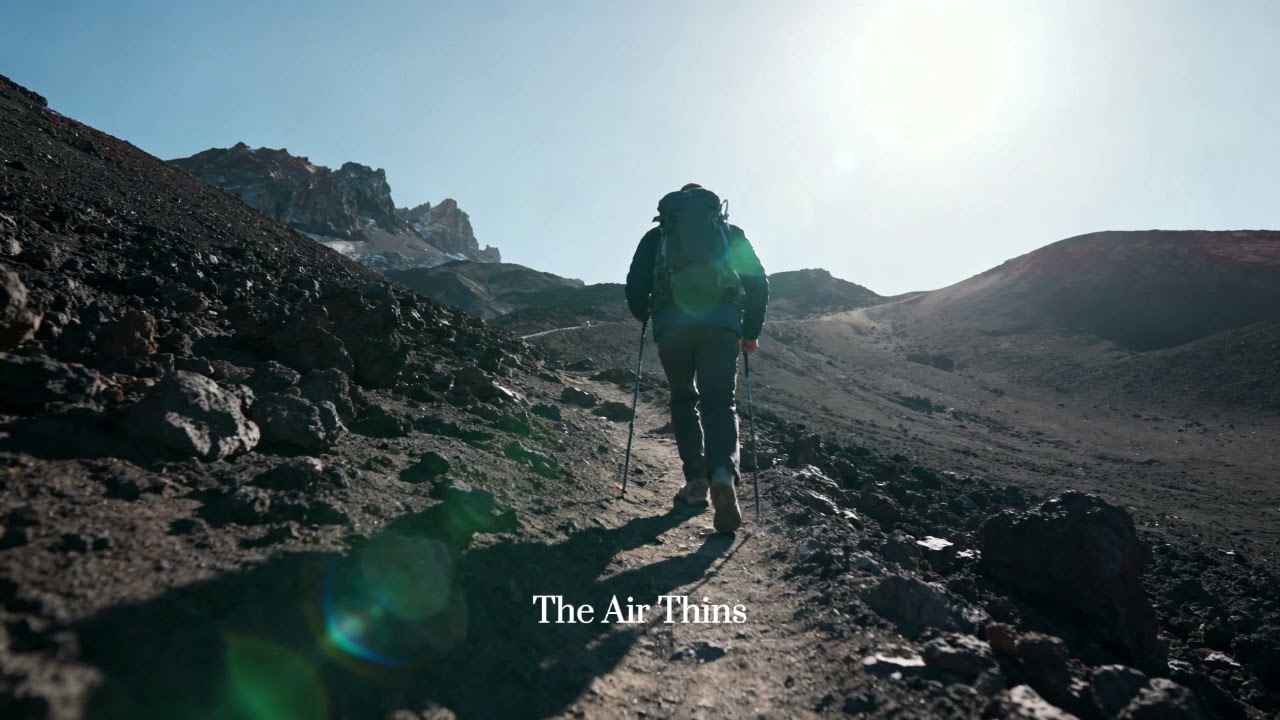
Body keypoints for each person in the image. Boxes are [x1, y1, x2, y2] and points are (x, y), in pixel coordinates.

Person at [624, 183, 769, 532]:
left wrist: (644, 313)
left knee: (683, 398)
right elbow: (758, 283)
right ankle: (723, 473)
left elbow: (635, 283)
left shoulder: (657, 236)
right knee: (719, 402)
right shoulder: (729, 233)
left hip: (672, 327)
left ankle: (696, 482)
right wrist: (750, 332)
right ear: (715, 209)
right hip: (721, 326)